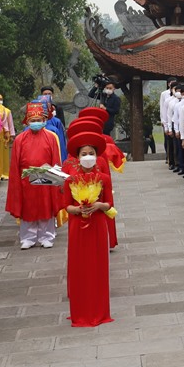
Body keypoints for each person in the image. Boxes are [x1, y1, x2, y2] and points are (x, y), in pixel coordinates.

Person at [62, 132, 116, 327]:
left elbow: (109, 203)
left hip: (98, 224)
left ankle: (99, 310)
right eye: (84, 154)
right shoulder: (70, 180)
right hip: (78, 226)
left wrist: (99, 205)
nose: (87, 157)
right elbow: (66, 205)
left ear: (96, 155)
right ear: (78, 158)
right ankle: (80, 310)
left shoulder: (103, 179)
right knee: (79, 266)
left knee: (98, 266)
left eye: (91, 153)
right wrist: (77, 209)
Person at [6, 102, 62, 249]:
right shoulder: (20, 139)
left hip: (46, 178)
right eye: (33, 120)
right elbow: (15, 163)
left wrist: (55, 177)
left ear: (44, 120)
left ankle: (47, 236)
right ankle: (27, 237)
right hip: (26, 180)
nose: (36, 123)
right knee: (28, 208)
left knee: (46, 206)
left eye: (39, 120)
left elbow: (56, 159)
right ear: (27, 121)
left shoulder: (51, 137)